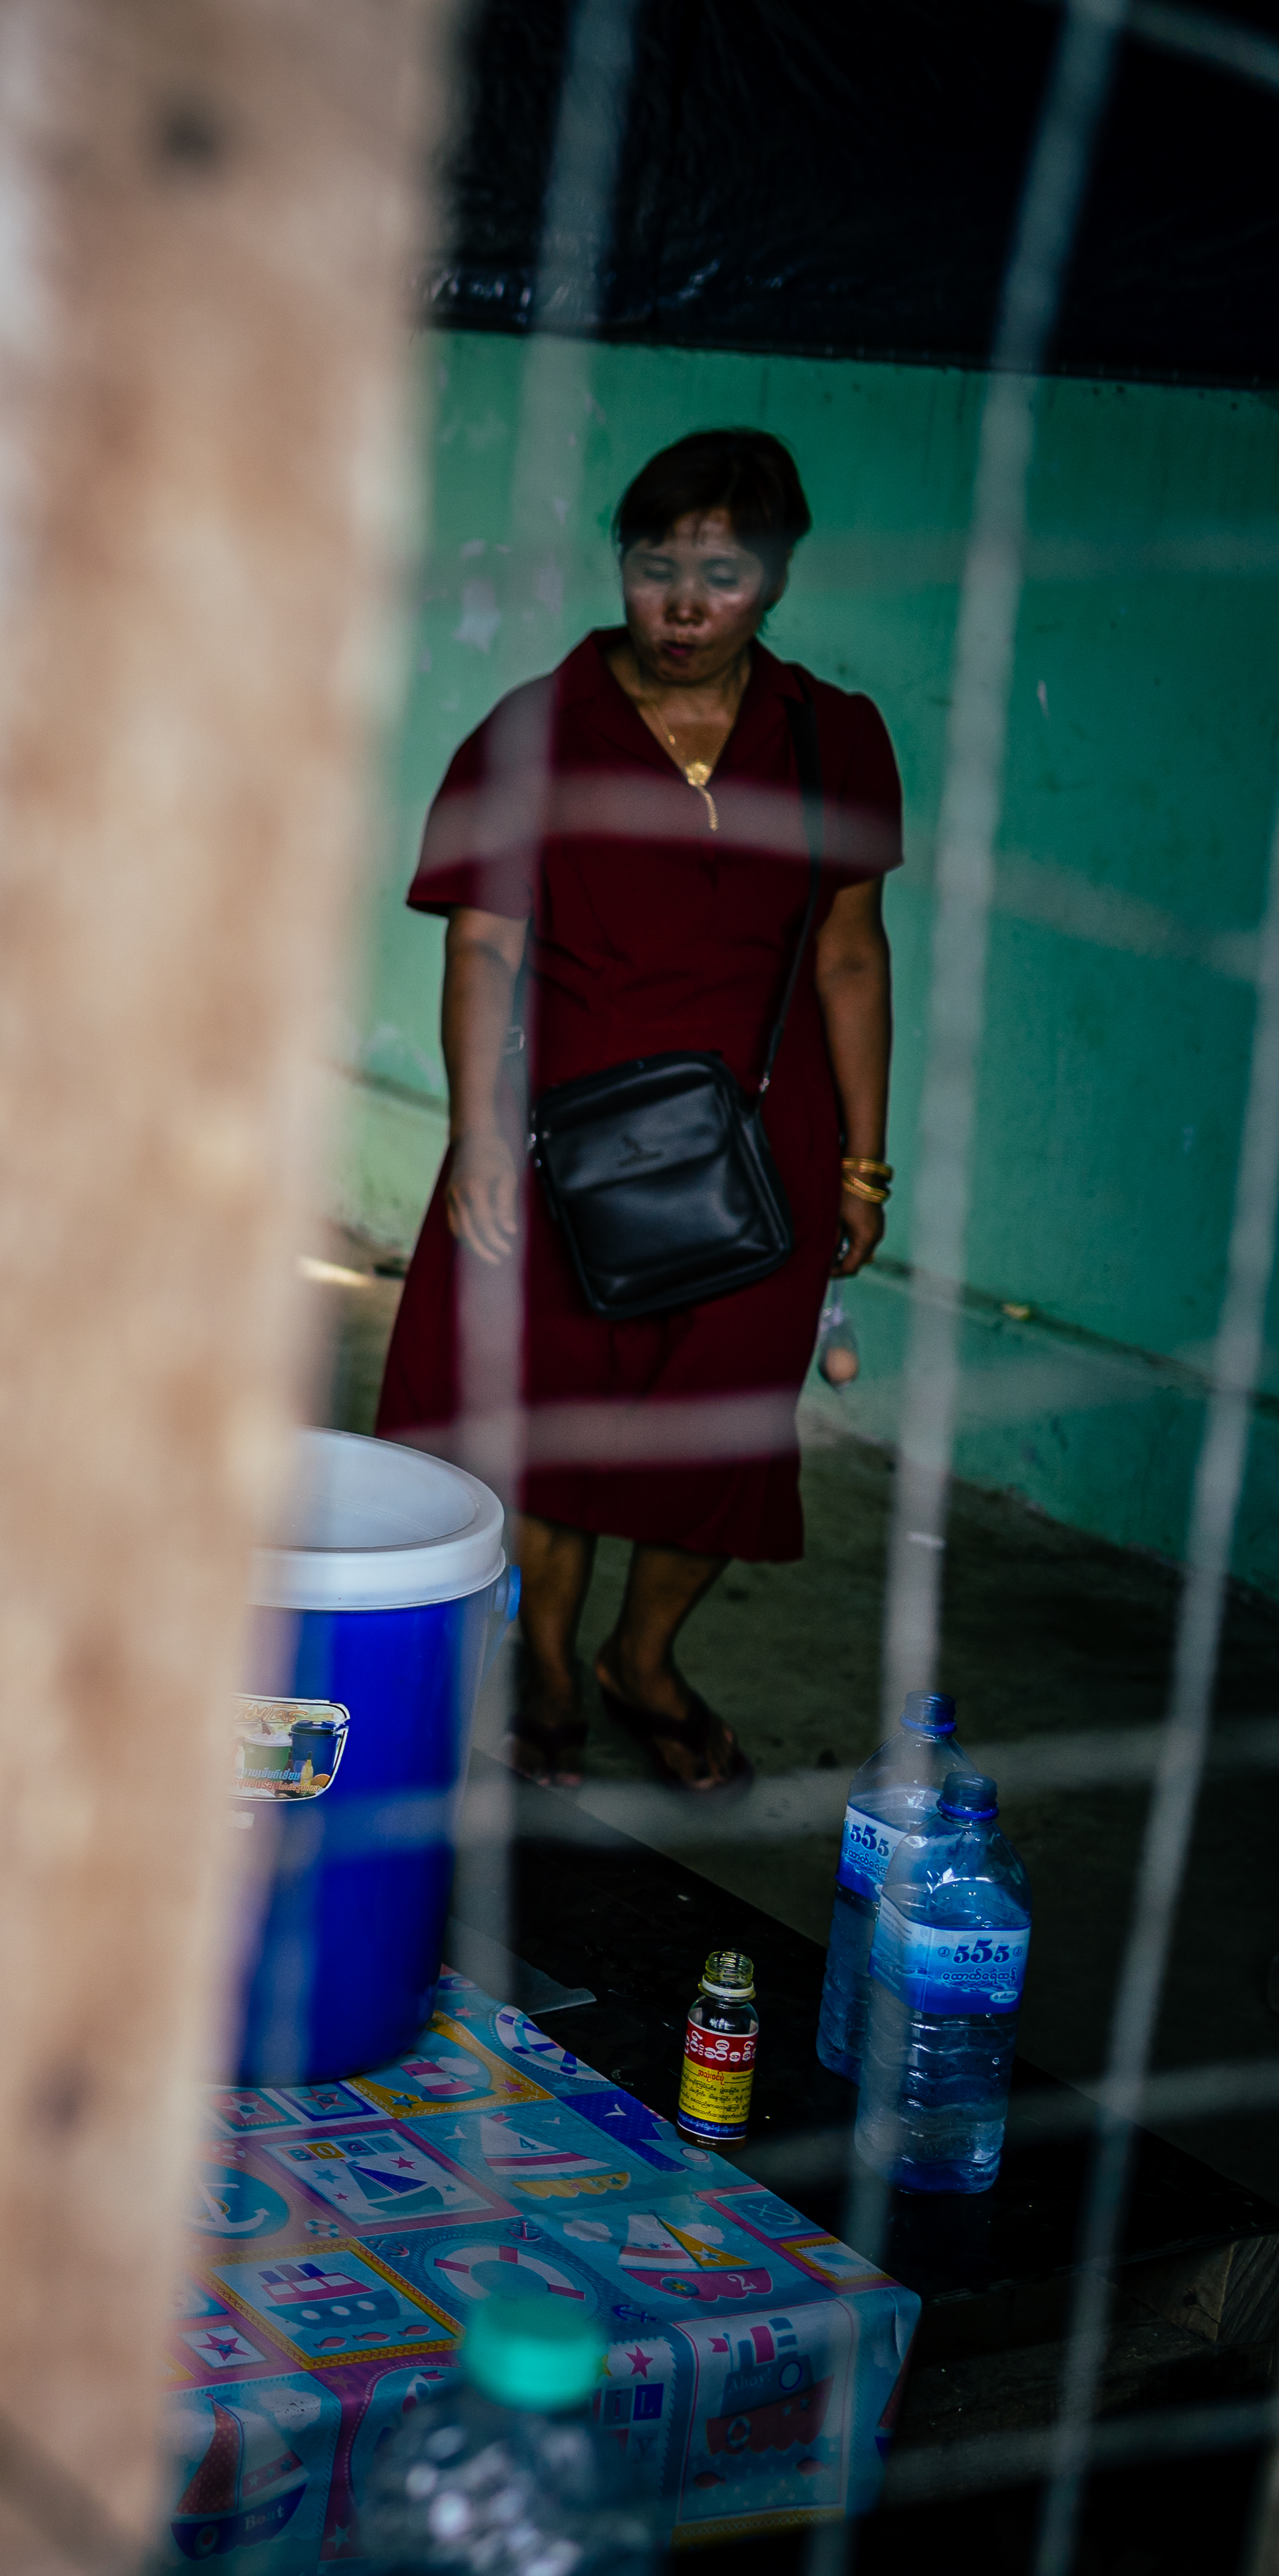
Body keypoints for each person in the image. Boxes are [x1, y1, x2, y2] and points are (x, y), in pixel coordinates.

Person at [373, 428, 903, 1791]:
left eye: (719, 573)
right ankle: (547, 1660)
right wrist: (478, 1135)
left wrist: (865, 1162)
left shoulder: (830, 740)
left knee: (719, 1431)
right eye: (655, 565)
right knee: (546, 1422)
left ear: (775, 577)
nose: (679, 604)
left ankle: (642, 1657)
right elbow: (481, 945)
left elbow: (850, 951)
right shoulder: (537, 732)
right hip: (552, 1142)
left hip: (755, 1157)